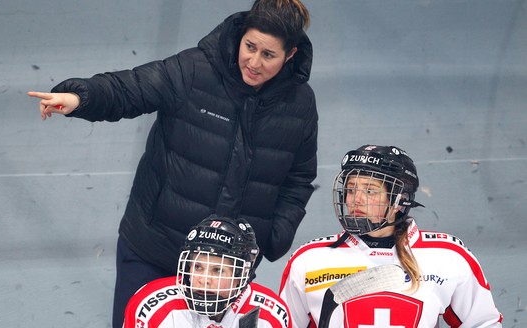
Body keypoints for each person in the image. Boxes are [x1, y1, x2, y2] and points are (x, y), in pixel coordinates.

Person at [28, 1, 316, 327]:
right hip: (155, 249)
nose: (254, 62)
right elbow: (130, 88)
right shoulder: (192, 70)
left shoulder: (300, 104)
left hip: (225, 268)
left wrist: (271, 235)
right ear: (240, 36)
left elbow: (299, 178)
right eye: (249, 47)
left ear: (290, 55)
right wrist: (80, 98)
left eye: (268, 55)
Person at [279, 145, 503, 327]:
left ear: (399, 199)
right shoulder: (310, 259)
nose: (355, 199)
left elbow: (484, 323)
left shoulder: (448, 256)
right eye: (350, 189)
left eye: (369, 190)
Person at [123, 215, 291, 327]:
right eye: (198, 267)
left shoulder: (269, 316)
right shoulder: (153, 308)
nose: (204, 279)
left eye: (218, 270)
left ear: (241, 274)